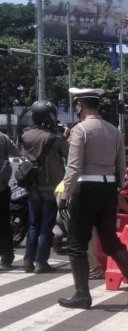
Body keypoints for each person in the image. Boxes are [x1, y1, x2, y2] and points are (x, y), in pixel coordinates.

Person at [57, 87, 128, 309]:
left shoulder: (80, 130)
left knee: (77, 244)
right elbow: (121, 167)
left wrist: (65, 194)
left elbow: (74, 167)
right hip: (108, 189)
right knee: (111, 241)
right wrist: (115, 191)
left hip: (85, 189)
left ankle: (82, 295)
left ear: (79, 106)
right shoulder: (114, 130)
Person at [19, 100, 69, 273]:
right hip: (50, 187)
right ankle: (41, 263)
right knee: (45, 227)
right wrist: (64, 134)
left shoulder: (26, 135)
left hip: (32, 186)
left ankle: (27, 262)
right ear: (50, 115)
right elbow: (68, 152)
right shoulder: (54, 136)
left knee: (33, 225)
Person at [0, 130, 19, 269]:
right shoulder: (3, 137)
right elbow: (16, 152)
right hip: (1, 186)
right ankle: (6, 256)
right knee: (4, 222)